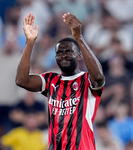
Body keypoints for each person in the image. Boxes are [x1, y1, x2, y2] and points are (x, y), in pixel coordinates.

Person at [15, 12, 105, 150]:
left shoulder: (86, 80)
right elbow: (22, 81)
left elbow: (98, 77)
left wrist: (79, 37)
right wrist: (29, 42)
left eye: (69, 51)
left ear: (79, 55)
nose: (64, 55)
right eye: (59, 53)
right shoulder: (50, 79)